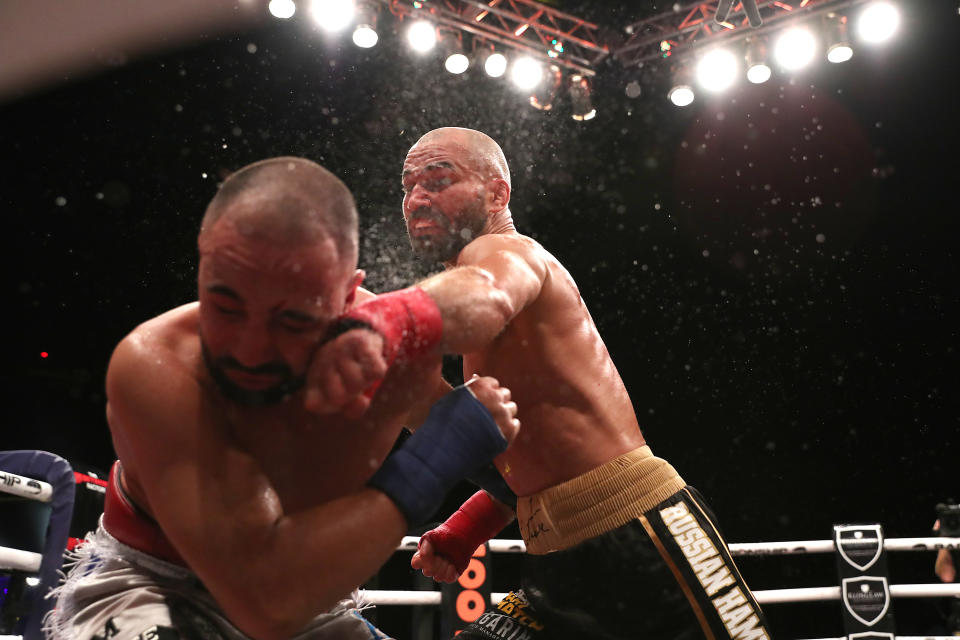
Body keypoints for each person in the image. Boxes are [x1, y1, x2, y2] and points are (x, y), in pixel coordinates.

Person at [307, 127, 772, 639]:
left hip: (644, 534)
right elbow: (520, 443)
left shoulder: (509, 254)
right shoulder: (472, 303)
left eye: (439, 180)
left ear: (497, 193)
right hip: (555, 562)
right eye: (408, 185)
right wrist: (472, 524)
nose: (417, 198)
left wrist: (383, 319)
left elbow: (488, 295)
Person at [44, 156, 521, 640]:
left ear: (346, 297)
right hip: (151, 584)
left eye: (292, 319)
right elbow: (264, 604)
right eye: (225, 305)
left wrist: (473, 520)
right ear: (204, 262)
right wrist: (432, 461)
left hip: (310, 603)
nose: (250, 350)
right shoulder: (157, 366)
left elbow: (493, 298)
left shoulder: (383, 353)